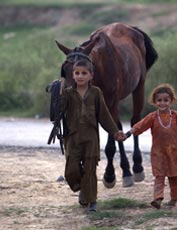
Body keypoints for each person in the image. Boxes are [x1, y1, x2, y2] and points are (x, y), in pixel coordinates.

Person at [60, 59, 125, 212]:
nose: (80, 76)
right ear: (72, 75)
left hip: (91, 138)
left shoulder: (96, 92)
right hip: (72, 137)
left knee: (90, 169)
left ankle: (92, 201)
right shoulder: (68, 93)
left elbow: (104, 115)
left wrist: (115, 132)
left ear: (91, 76)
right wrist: (56, 95)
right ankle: (82, 187)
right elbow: (58, 112)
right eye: (77, 73)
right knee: (71, 170)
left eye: (84, 73)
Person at [125, 83, 177, 209]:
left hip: (174, 152)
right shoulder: (152, 117)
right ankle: (157, 199)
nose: (162, 103)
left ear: (171, 101)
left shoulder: (176, 116)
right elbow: (139, 126)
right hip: (158, 153)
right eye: (159, 100)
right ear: (155, 102)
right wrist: (127, 134)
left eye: (166, 100)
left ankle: (174, 199)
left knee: (175, 177)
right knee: (159, 176)